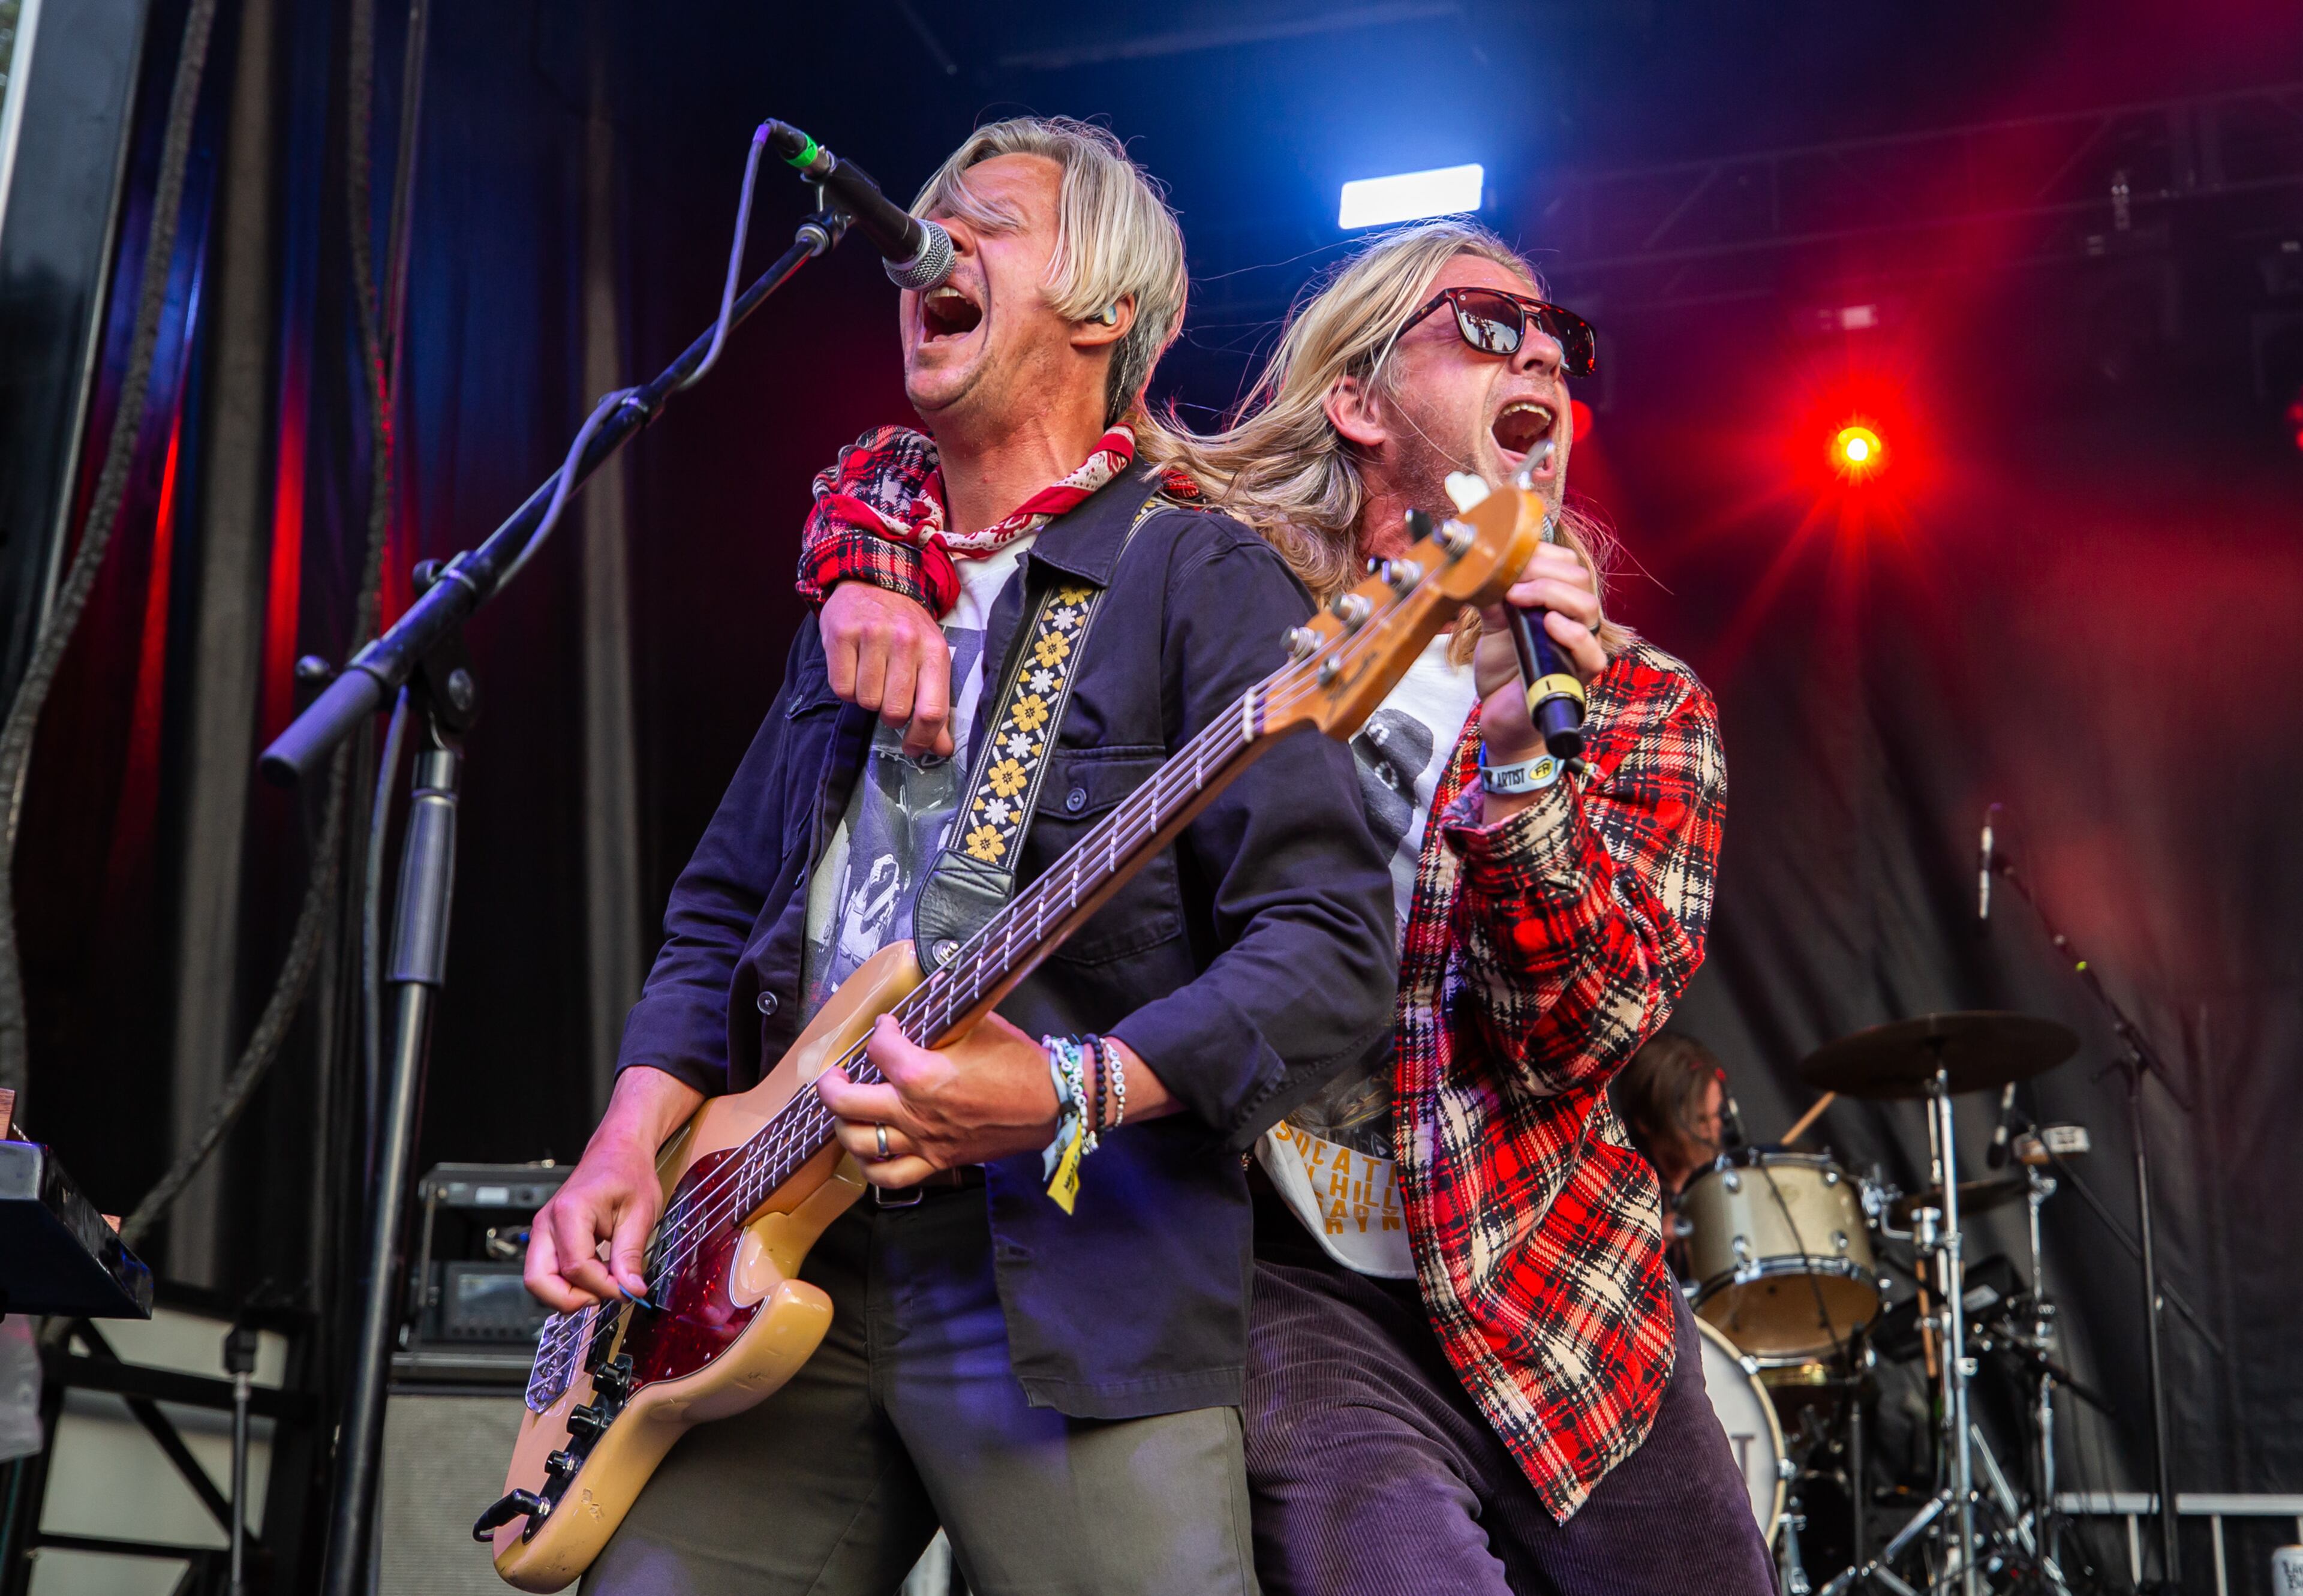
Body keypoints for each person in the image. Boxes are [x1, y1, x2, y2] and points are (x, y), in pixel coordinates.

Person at [804, 220, 1771, 1595]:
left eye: (1562, 341)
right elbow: (944, 458)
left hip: (1551, 1277)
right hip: (1279, 1280)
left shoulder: (1641, 707)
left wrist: (1518, 753)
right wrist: (872, 574)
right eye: (1487, 326)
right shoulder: (1215, 576)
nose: (1542, 357)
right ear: (1359, 400)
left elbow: (1574, 1035)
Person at [524, 118, 1397, 1596]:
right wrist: (628, 1139)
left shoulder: (1199, 577)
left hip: (1069, 1272)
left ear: (1106, 307)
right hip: (763, 1258)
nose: (932, 237)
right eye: (936, 216)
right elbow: (723, 907)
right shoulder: (864, 582)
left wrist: (1066, 1086)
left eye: (988, 218)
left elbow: (1331, 948)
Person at [1614, 1032, 1730, 1198]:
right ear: (1646, 1122)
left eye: (1718, 1114)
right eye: (1700, 1120)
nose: (1712, 1132)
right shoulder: (1627, 1194)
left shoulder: (1726, 1179)